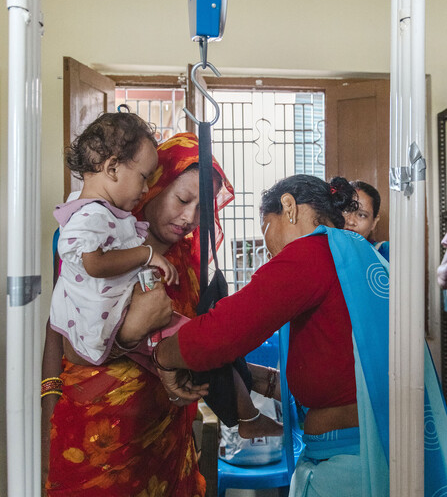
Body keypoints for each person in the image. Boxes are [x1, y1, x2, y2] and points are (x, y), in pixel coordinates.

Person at [145, 174, 447, 497]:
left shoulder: (313, 252)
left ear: (289, 207)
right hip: (356, 454)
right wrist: (248, 376)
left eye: (267, 230)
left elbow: (224, 331)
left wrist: (162, 356)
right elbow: (335, 374)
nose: (268, 248)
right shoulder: (354, 254)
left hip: (348, 465)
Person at [42, 130, 279, 497]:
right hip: (95, 435)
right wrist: (49, 408)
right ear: (152, 186)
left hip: (166, 438)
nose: (190, 218)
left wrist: (261, 378)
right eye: (183, 199)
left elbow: (192, 342)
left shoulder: (189, 262)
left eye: (203, 208)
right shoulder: (99, 240)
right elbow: (61, 331)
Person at [50, 112, 179, 366]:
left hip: (118, 319)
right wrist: (147, 254)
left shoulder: (100, 213)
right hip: (101, 326)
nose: (145, 190)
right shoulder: (91, 214)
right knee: (187, 348)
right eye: (144, 177)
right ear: (111, 168)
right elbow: (95, 265)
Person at [343, 180, 389, 261]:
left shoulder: (385, 253)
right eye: (346, 211)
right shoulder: (321, 250)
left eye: (362, 215)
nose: (350, 222)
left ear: (374, 222)